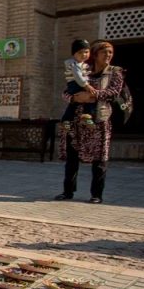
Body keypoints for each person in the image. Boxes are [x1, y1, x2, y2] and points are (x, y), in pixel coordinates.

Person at [56, 40, 125, 204]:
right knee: (72, 158)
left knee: (99, 158)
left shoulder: (115, 72)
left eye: (110, 52)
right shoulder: (83, 69)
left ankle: (96, 194)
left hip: (98, 120)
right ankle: (68, 191)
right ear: (95, 54)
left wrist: (93, 96)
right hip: (77, 120)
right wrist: (73, 98)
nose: (108, 55)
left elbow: (114, 92)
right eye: (104, 52)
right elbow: (66, 91)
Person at [60, 39, 93, 129]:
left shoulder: (82, 64)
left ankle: (66, 120)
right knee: (86, 98)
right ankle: (86, 116)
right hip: (76, 85)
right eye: (80, 52)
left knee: (75, 105)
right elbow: (78, 76)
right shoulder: (74, 64)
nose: (84, 55)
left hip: (78, 84)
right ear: (74, 54)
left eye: (86, 52)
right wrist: (86, 85)